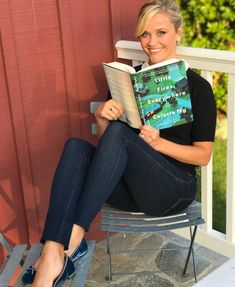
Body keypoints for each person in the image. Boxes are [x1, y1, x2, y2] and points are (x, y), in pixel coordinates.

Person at [22, 0, 217, 286]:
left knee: (120, 135)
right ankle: (53, 251)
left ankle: (70, 243)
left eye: (161, 32)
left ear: (179, 33)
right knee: (76, 148)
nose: (151, 42)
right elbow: (109, 153)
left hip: (172, 190)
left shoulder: (197, 87)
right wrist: (103, 119)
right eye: (144, 34)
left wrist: (158, 144)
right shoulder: (130, 79)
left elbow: (203, 156)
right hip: (130, 186)